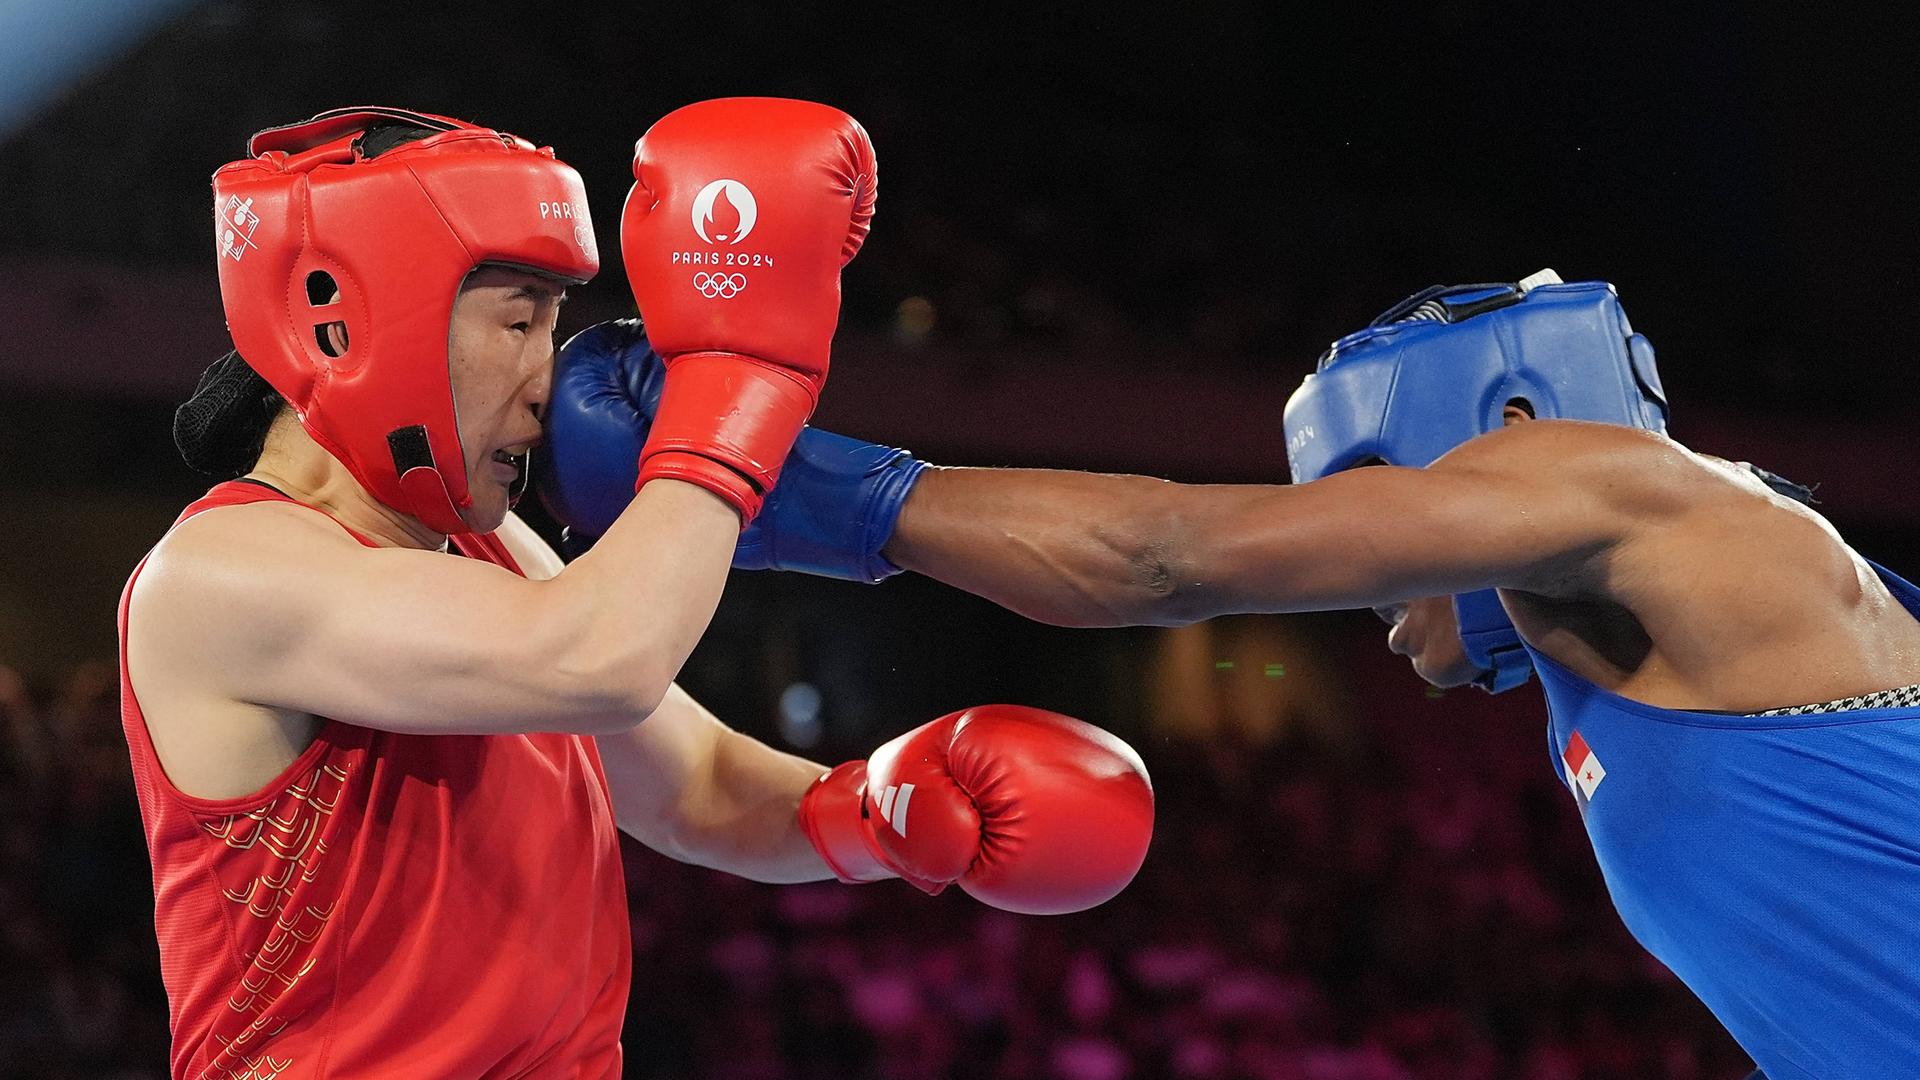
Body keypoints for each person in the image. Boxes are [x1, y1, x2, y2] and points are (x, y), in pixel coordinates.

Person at [541, 269, 1920, 1080]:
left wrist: (783, 486)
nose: (1363, 583)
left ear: (1509, 424)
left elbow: (1166, 558)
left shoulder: (1629, 491)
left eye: (1369, 499)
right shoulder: (1684, 621)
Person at [123, 102, 1153, 1079]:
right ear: (343, 323)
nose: (546, 374)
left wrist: (874, 812)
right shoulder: (222, 576)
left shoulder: (490, 556)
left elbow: (696, 784)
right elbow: (597, 657)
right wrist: (740, 381)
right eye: (518, 321)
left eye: (553, 323)